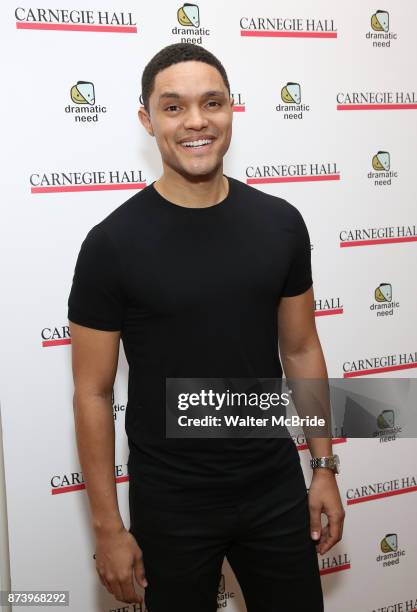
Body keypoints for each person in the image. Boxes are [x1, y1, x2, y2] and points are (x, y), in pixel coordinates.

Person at [68, 42, 345, 611]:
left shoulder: (280, 224)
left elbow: (300, 349)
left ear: (231, 111)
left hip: (272, 483)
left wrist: (322, 467)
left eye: (211, 103)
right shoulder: (111, 245)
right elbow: (92, 393)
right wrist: (108, 528)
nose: (196, 121)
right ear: (147, 120)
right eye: (173, 107)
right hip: (171, 499)